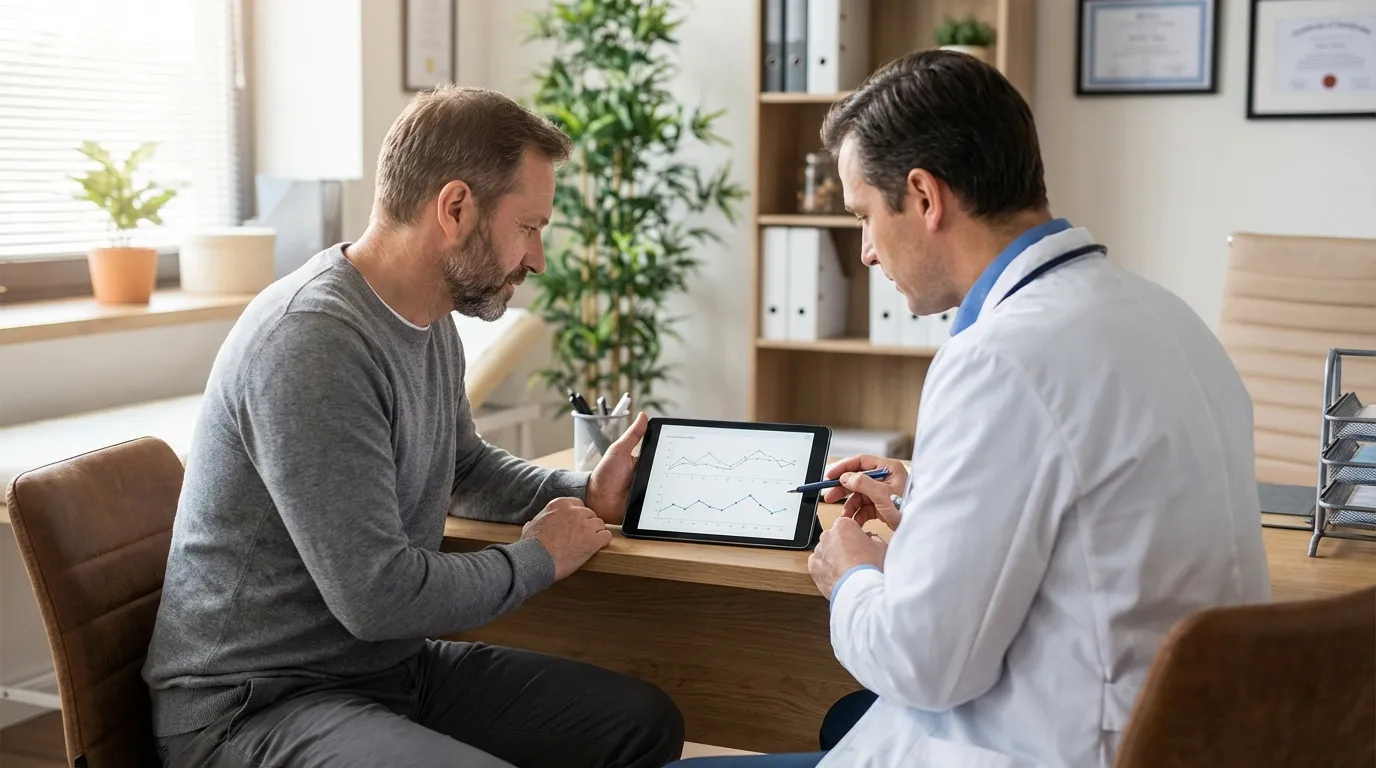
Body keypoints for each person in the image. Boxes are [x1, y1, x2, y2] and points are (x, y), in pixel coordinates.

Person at [671, 49, 1269, 768]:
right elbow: (1100, 521)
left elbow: (926, 665)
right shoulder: (1166, 316)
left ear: (924, 197)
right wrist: (929, 496)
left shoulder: (1000, 358)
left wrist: (851, 574)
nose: (863, 252)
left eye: (863, 215)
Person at [142, 85, 684, 768]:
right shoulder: (313, 342)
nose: (538, 259)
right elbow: (380, 598)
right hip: (256, 706)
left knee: (641, 724)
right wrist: (538, 555)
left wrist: (580, 490)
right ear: (455, 208)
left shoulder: (428, 322)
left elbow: (461, 466)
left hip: (382, 674)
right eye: (530, 227)